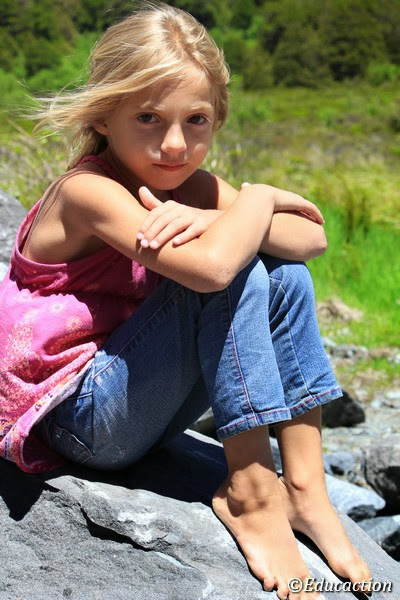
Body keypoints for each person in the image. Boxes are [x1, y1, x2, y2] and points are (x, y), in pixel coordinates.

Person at [0, 2, 371, 598]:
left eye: (196, 120)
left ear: (218, 115)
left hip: (136, 402)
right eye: (148, 117)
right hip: (76, 418)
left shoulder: (188, 187)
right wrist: (259, 199)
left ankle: (304, 486)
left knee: (284, 276)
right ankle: (251, 491)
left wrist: (220, 215)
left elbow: (311, 239)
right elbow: (214, 269)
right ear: (103, 115)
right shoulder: (87, 192)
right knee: (235, 272)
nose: (174, 144)